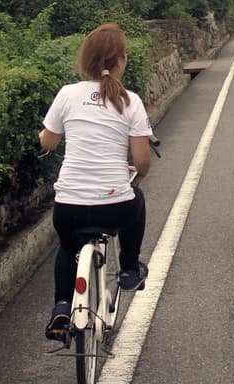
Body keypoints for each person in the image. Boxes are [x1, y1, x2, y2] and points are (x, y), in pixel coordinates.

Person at [39, 23, 154, 340]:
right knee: (136, 199)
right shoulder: (130, 100)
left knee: (67, 247)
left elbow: (49, 142)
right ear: (120, 61)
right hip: (114, 207)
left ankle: (62, 307)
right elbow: (142, 161)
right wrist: (136, 177)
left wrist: (44, 135)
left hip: (68, 207)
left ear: (87, 60)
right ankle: (129, 268)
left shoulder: (67, 94)